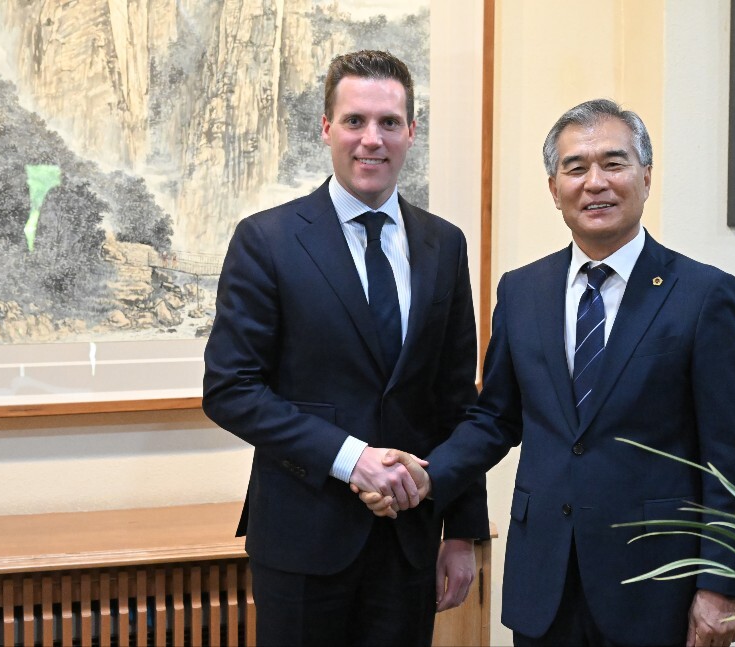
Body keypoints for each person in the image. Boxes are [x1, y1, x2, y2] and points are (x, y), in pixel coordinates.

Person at [361, 99, 735, 647]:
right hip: (544, 581)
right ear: (554, 188)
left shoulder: (703, 295)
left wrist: (721, 585)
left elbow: (731, 455)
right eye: (576, 168)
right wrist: (430, 476)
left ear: (646, 176)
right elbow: (495, 419)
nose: (595, 182)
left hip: (654, 586)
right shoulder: (523, 291)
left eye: (614, 163)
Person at [202, 50, 488, 647]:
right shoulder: (267, 240)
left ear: (411, 132)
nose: (372, 139)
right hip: (304, 540)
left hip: (409, 543)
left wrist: (463, 531)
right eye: (355, 120)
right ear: (327, 128)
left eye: (389, 123)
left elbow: (457, 400)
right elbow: (231, 389)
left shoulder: (445, 245)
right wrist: (351, 458)